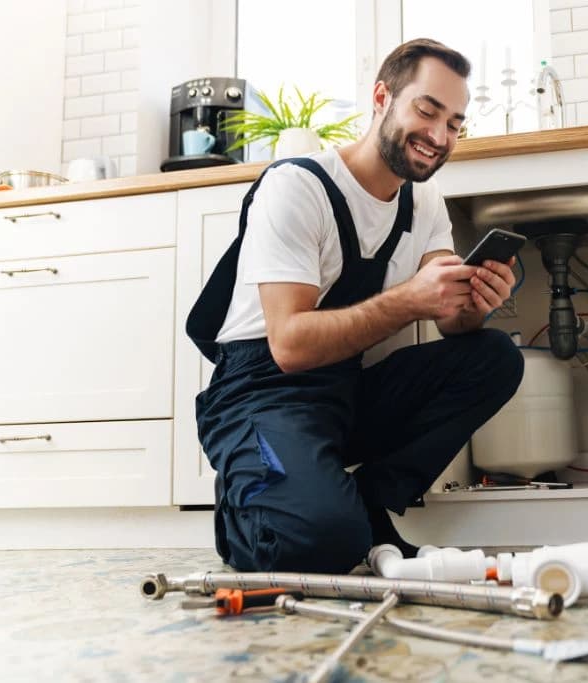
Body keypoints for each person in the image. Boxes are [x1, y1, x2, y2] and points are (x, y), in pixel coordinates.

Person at [187, 38, 524, 574]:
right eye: (427, 110)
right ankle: (248, 507)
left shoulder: (424, 201)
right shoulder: (298, 186)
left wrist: (475, 303)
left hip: (343, 391)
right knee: (322, 543)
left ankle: (367, 501)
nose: (439, 137)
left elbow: (452, 321)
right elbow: (291, 345)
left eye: (455, 124)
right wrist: (409, 299)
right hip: (260, 394)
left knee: (494, 356)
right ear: (382, 97)